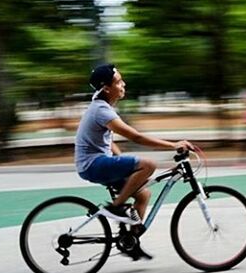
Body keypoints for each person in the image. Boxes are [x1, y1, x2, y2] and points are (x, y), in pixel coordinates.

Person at [74, 63, 194, 260]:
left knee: (143, 194)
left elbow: (106, 139)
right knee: (148, 165)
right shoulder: (101, 110)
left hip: (96, 162)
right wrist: (173, 145)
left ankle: (130, 240)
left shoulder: (101, 106)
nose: (123, 84)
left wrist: (119, 158)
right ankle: (115, 207)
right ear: (106, 87)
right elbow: (136, 137)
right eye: (119, 81)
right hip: (92, 165)